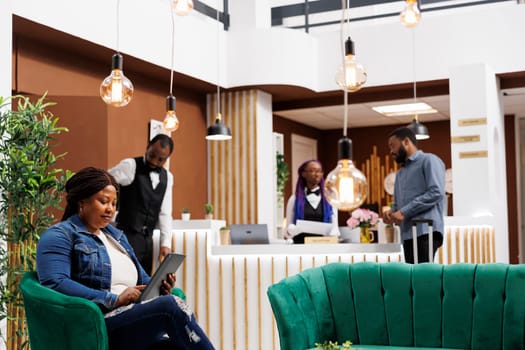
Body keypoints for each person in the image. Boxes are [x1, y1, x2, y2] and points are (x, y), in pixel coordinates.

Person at [36, 167, 215, 350]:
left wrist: (159, 288)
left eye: (114, 204)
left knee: (171, 346)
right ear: (82, 201)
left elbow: (143, 280)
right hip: (98, 324)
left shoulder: (116, 237)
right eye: (104, 202)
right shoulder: (59, 235)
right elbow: (55, 283)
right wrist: (113, 299)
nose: (110, 209)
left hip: (130, 317)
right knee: (169, 306)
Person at [109, 134, 174, 274]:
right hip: (125, 236)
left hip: (147, 240)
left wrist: (165, 243)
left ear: (167, 159)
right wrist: (111, 212)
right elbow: (105, 182)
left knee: (144, 282)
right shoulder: (130, 165)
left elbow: (165, 213)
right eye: (152, 155)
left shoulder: (167, 177)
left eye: (161, 159)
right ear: (148, 147)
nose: (155, 162)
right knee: (125, 277)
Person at [383, 127, 445, 264]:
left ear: (405, 142)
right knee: (412, 279)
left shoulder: (429, 160)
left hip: (426, 231)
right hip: (407, 234)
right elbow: (399, 206)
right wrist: (392, 214)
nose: (391, 151)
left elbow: (436, 192)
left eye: (393, 145)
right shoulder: (400, 173)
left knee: (424, 279)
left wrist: (403, 212)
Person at [285, 159, 339, 242]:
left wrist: (333, 234)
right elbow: (288, 230)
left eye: (319, 171)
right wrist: (292, 230)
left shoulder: (329, 198)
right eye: (313, 171)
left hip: (323, 245)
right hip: (301, 246)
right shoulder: (294, 199)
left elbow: (335, 227)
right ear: (303, 174)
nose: (317, 174)